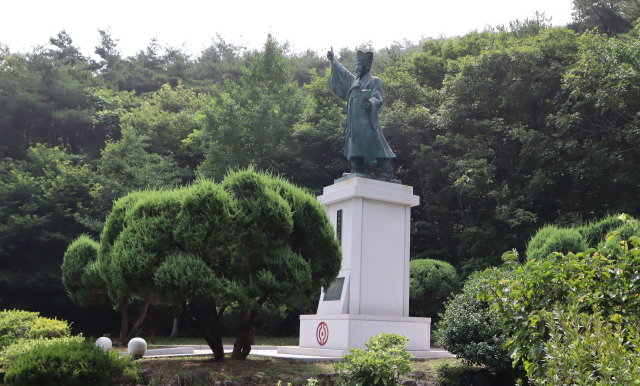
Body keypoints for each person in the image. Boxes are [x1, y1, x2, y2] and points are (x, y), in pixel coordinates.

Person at [327, 47, 395, 179]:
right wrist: (333, 60)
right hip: (354, 124)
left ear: (368, 65)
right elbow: (343, 71)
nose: (358, 67)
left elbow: (378, 98)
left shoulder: (375, 80)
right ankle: (356, 172)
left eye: (361, 65)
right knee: (354, 149)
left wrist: (370, 103)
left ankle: (388, 173)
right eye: (357, 65)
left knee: (376, 145)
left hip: (368, 123)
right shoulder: (354, 81)